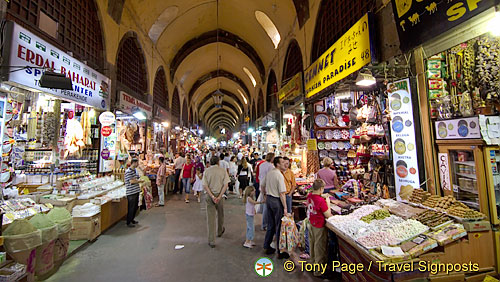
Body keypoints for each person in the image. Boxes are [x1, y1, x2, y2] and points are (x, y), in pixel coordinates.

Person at [262, 156, 290, 259]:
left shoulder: (270, 172)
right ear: (278, 164)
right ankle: (280, 251)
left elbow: (262, 184)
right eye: (282, 162)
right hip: (276, 201)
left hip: (269, 199)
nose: (284, 164)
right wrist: (285, 208)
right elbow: (282, 193)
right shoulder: (279, 175)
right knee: (279, 226)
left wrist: (264, 195)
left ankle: (266, 245)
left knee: (271, 224)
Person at [306, 179, 333, 277]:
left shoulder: (309, 196)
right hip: (319, 226)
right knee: (320, 248)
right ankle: (319, 271)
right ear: (321, 188)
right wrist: (328, 203)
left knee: (312, 246)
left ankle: (312, 264)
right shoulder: (321, 201)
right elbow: (328, 215)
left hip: (311, 223)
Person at [202, 156, 230, 248]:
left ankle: (211, 240)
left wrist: (212, 196)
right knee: (221, 214)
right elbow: (226, 184)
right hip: (220, 195)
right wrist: (219, 196)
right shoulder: (222, 171)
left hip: (210, 196)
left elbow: (205, 185)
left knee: (211, 218)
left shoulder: (207, 171)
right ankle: (220, 230)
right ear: (218, 162)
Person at [125, 159, 145, 227]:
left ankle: (132, 219)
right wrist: (139, 181)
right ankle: (129, 221)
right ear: (134, 163)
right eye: (137, 163)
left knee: (136, 206)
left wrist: (139, 180)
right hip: (131, 192)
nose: (138, 164)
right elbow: (131, 181)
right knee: (131, 207)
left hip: (136, 191)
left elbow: (137, 178)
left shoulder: (135, 171)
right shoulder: (128, 171)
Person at [258, 152, 275, 230]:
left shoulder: (262, 165)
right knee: (266, 207)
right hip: (267, 187)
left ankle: (264, 224)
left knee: (265, 205)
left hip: (262, 186)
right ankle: (265, 224)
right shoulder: (270, 166)